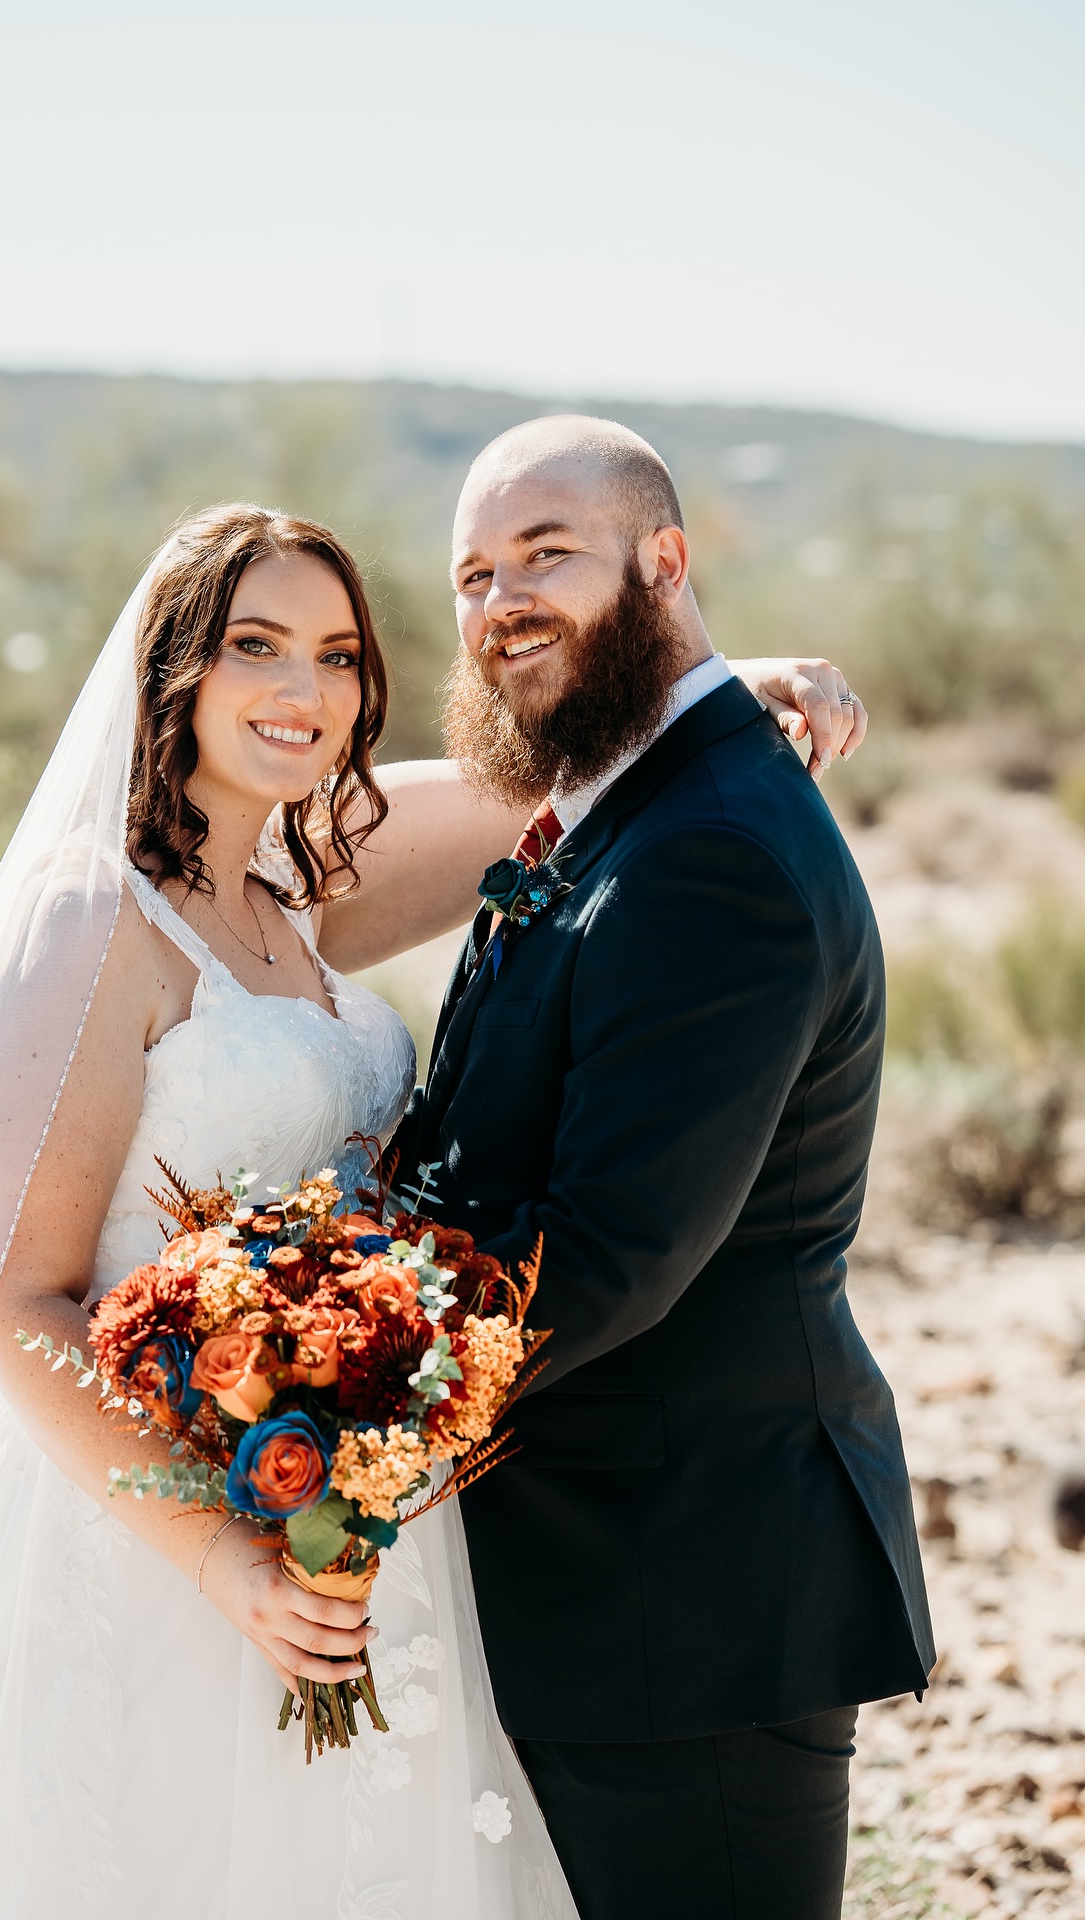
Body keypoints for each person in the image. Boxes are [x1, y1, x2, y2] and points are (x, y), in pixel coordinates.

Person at [0, 498, 861, 1919]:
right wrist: (224, 1556)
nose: (307, 691)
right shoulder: (92, 921)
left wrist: (714, 694)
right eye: (257, 647)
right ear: (175, 673)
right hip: (139, 1542)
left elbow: (551, 780)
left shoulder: (287, 893)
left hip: (325, 1520)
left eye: (341, 654)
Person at [404, 417, 935, 1920]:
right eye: (474, 570)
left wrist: (351, 1407)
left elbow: (615, 1248)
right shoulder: (626, 804)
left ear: (666, 561)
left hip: (690, 1588)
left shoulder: (709, 845)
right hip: (606, 1572)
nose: (503, 594)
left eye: (547, 551)